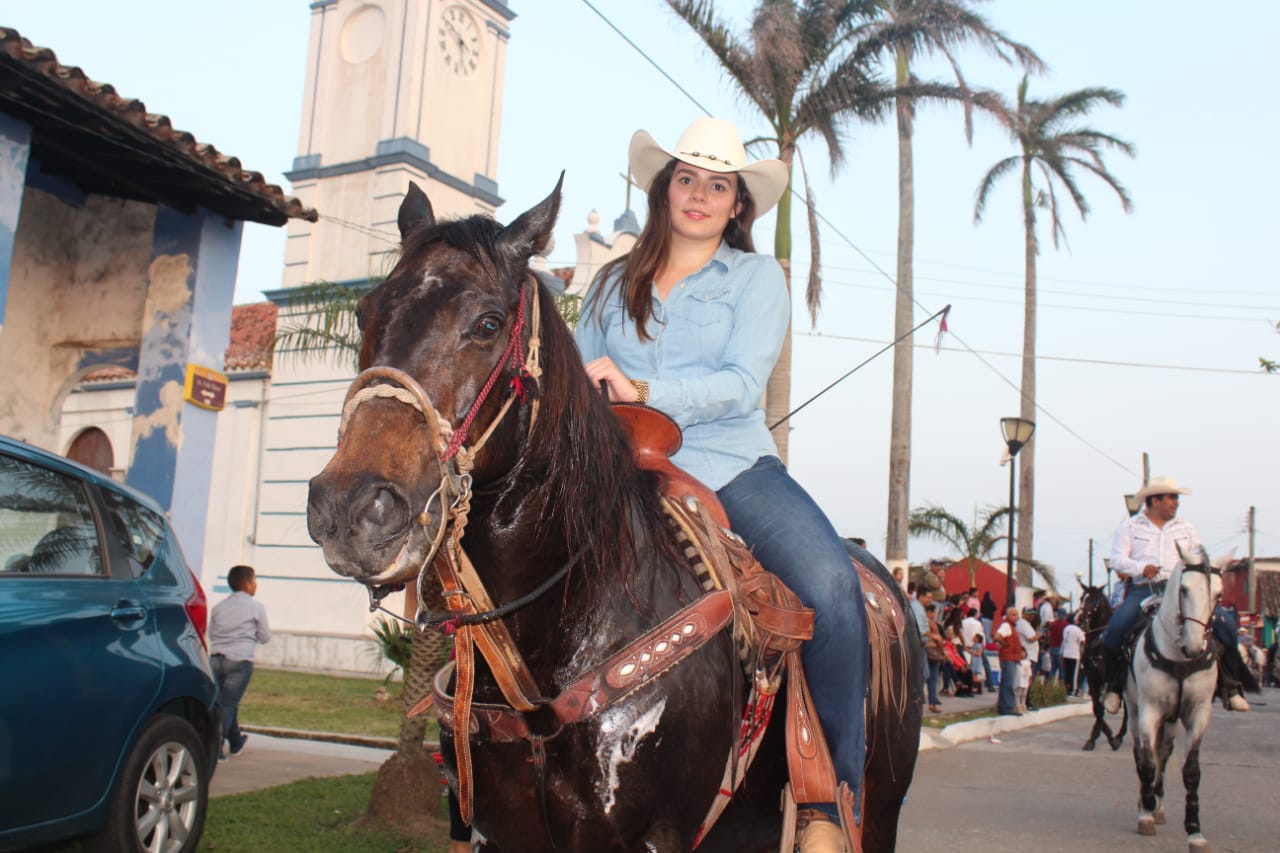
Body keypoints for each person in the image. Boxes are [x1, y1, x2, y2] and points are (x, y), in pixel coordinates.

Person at [575, 116, 867, 850]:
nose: (699, 194)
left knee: (832, 588)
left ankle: (828, 800)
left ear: (739, 204)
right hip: (622, 473)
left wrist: (641, 384)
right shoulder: (611, 281)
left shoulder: (756, 278)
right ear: (663, 188)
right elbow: (577, 378)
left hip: (730, 465)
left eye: (718, 183)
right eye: (686, 178)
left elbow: (742, 387)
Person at [1102, 475, 1250, 714]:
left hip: (1182, 589)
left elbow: (1198, 558)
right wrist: (1141, 568)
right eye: (1172, 498)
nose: (1176, 502)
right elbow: (1118, 558)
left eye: (1176, 498)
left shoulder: (1186, 528)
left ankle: (1231, 686)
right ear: (1155, 501)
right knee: (1116, 630)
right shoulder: (1130, 527)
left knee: (1224, 625)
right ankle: (1114, 686)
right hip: (1144, 589)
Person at [209, 564, 271, 758]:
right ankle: (215, 748)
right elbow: (265, 636)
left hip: (216, 659)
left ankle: (235, 741)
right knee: (228, 704)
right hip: (239, 660)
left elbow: (211, 633)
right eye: (254, 581)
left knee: (224, 702)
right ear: (246, 584)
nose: (255, 585)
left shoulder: (219, 607)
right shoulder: (256, 607)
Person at [994, 606, 1024, 716]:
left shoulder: (1012, 627)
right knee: (1008, 684)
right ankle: (1008, 707)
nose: (1017, 617)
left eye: (1017, 614)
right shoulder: (1006, 626)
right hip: (1008, 658)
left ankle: (1003, 706)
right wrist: (1005, 644)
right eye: (1014, 614)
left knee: (1006, 683)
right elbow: (997, 636)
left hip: (1011, 658)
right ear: (1007, 616)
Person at [1015, 609, 1041, 710]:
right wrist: (1040, 633)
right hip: (1028, 657)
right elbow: (1032, 638)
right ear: (1024, 614)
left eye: (1033, 615)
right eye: (1029, 614)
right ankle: (1026, 703)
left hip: (1030, 656)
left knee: (1028, 681)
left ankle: (1025, 702)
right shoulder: (1023, 623)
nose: (1031, 616)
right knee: (1026, 681)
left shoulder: (1026, 624)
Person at [1060, 613, 1086, 697]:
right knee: (1074, 673)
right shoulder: (1077, 629)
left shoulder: (1066, 628)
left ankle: (1067, 688)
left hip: (1066, 652)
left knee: (1067, 672)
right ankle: (1074, 690)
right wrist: (1082, 650)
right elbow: (1083, 640)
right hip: (1075, 653)